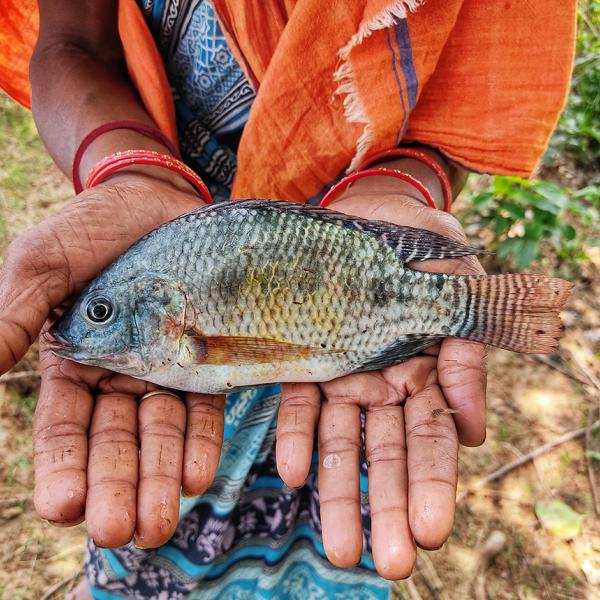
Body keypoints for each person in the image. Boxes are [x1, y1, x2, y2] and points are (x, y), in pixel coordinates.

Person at [0, 0, 576, 598]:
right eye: (101, 311)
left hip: (356, 276)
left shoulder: (181, 316)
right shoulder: (146, 268)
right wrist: (132, 172)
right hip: (178, 210)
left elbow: (468, 92)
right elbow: (72, 44)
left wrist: (403, 180)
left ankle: (472, 309)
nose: (86, 327)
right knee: (149, 503)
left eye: (103, 314)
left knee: (354, 504)